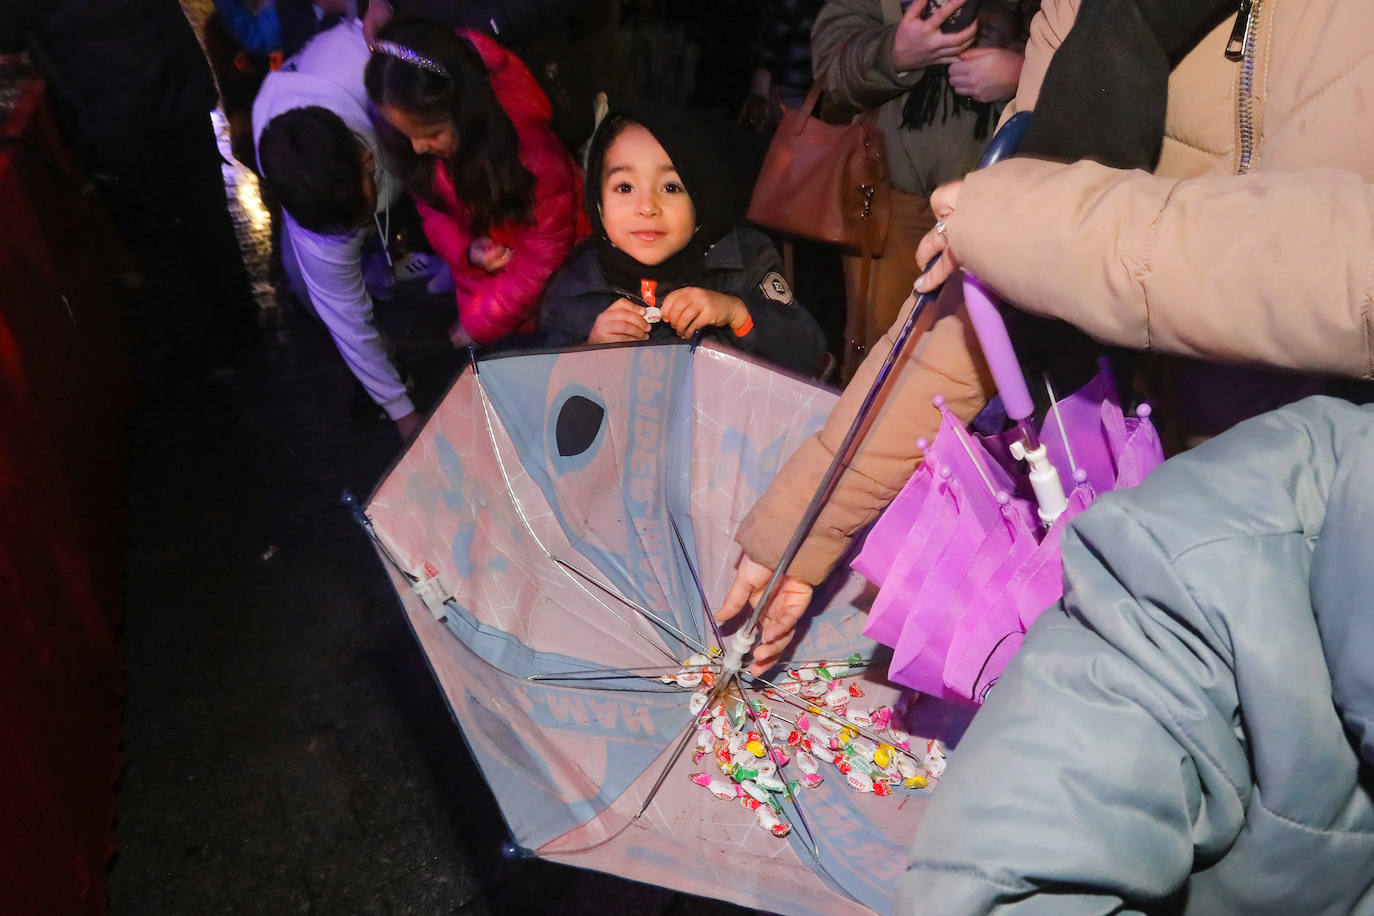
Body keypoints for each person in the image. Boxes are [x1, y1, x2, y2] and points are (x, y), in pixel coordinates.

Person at [715, 0, 1374, 679]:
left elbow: (1349, 277)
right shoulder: (1083, 12)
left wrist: (1053, 234)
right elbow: (980, 302)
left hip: (1330, 545)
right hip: (1127, 510)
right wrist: (803, 526)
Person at [1, 0, 258, 382]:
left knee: (155, 240)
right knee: (207, 216)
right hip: (175, 85)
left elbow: (8, 33)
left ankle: (205, 349)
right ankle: (244, 327)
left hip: (111, 112)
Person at [811, 0, 1033, 378]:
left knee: (988, 379)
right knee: (878, 373)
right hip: (891, 206)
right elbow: (831, 66)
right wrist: (895, 52)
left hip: (1014, 213)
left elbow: (1094, 67)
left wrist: (1023, 73)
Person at [538, 104, 827, 378]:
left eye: (671, 187)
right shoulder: (578, 283)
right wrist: (590, 353)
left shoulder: (742, 263)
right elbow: (534, 389)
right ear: (599, 203)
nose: (647, 207)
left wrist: (736, 312)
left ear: (700, 198)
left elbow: (808, 352)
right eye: (625, 187)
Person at [364, 20, 586, 351]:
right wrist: (466, 253)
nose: (416, 148)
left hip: (554, 298)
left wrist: (480, 323)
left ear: (466, 111)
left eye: (431, 134)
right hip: (492, 296)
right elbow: (434, 210)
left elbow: (543, 260)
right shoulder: (425, 143)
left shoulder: (530, 153)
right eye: (405, 134)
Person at [254, 20, 423, 439]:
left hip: (389, 119)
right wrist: (402, 413)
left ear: (368, 159)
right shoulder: (296, 178)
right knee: (310, 287)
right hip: (345, 176)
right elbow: (347, 317)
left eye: (362, 216)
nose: (359, 229)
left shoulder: (381, 63)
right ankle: (387, 373)